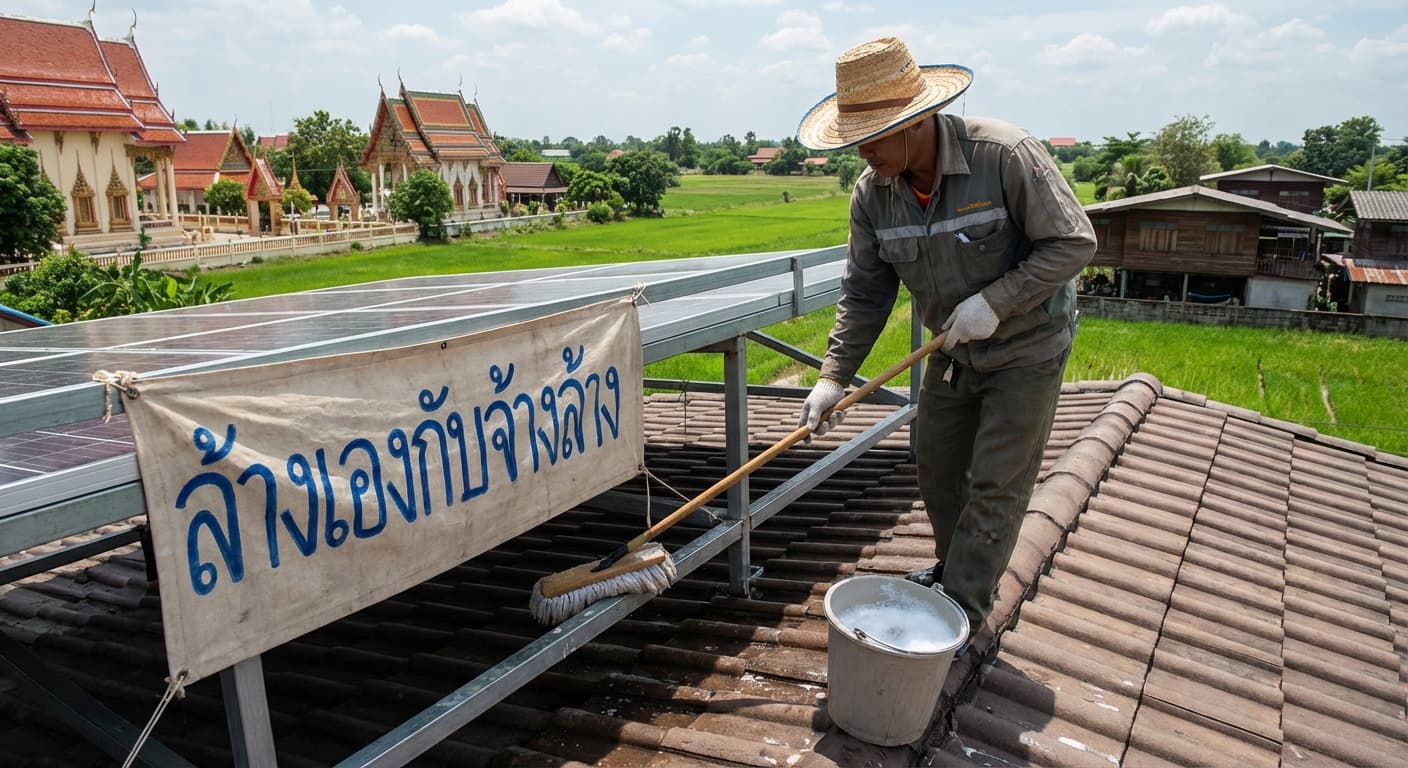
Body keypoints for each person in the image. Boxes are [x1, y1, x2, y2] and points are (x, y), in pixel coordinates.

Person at [794, 37, 1096, 633]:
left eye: (875, 136)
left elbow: (1074, 242)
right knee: (936, 466)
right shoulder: (872, 196)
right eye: (856, 140)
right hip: (956, 351)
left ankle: (962, 609)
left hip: (1026, 348)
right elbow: (866, 293)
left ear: (919, 120)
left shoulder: (1004, 156)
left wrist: (995, 301)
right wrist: (832, 377)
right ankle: (952, 568)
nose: (864, 154)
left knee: (995, 484)